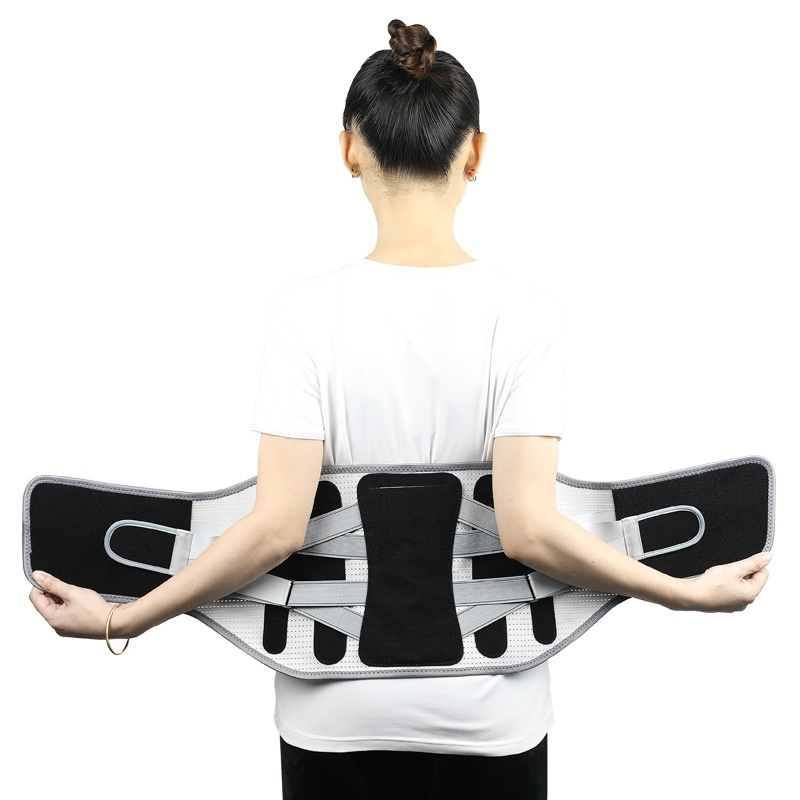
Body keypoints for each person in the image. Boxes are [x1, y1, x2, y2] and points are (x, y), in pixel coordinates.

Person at [29, 20, 770, 800]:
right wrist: (681, 592)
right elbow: (529, 530)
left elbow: (276, 529)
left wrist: (126, 619)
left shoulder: (303, 316)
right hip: (492, 714)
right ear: (475, 153)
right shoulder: (523, 318)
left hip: (332, 716)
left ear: (349, 150)